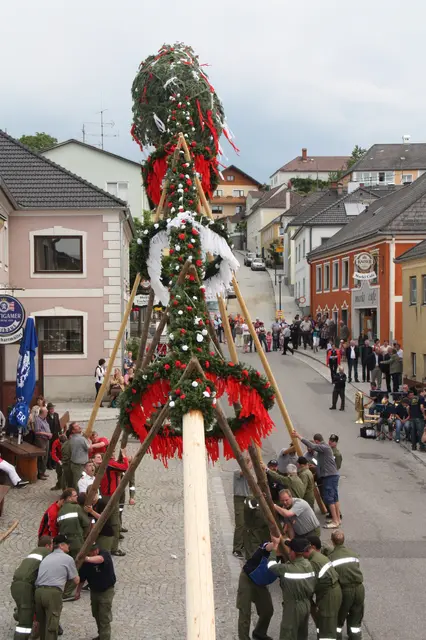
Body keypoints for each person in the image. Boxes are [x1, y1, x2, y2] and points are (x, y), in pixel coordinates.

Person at [268, 537, 316, 640]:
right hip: (306, 604)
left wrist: (274, 547)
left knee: (288, 633)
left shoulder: (287, 569)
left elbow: (271, 566)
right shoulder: (309, 565)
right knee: (301, 634)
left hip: (293, 606)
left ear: (293, 552)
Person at [35, 534, 79, 640]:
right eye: (67, 544)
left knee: (43, 624)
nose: (69, 546)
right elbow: (76, 580)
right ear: (61, 545)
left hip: (38, 592)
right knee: (52, 626)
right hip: (53, 593)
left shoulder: (47, 557)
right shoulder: (67, 559)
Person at [11, 535, 53, 640]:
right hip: (25, 586)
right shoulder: (46, 553)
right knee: (25, 624)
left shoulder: (33, 552)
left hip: (17, 585)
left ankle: (18, 613)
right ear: (47, 545)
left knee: (26, 609)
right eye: (52, 545)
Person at [296, 431, 341, 529]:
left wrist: (299, 436)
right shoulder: (324, 449)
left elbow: (311, 445)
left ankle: (335, 521)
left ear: (317, 441)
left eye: (315, 443)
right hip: (332, 475)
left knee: (330, 499)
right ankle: (337, 518)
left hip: (329, 476)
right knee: (335, 498)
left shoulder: (323, 447)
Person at [236, 540, 277, 640]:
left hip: (260, 583)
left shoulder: (287, 559)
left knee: (267, 610)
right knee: (245, 611)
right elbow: (267, 546)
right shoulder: (268, 548)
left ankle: (259, 633)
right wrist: (276, 544)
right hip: (247, 578)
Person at [328, 530, 365, 640]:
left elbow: (332, 577)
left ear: (332, 541)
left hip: (345, 590)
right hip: (359, 589)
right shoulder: (353, 554)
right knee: (356, 615)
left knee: (339, 617)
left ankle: (337, 636)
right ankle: (355, 637)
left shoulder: (331, 558)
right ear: (343, 541)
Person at [76, 542, 116, 640]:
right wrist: (78, 591)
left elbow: (101, 559)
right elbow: (82, 579)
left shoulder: (104, 554)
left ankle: (105, 637)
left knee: (104, 617)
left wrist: (87, 559)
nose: (95, 552)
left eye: (95, 549)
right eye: (92, 550)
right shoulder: (85, 564)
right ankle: (101, 635)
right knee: (96, 614)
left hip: (106, 591)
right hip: (94, 591)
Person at [305, 534, 342, 640]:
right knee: (325, 624)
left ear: (311, 547)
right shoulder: (320, 557)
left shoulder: (314, 562)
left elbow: (310, 585)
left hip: (329, 596)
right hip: (328, 593)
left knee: (327, 628)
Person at [100, 453, 129, 557]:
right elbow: (126, 467)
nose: (113, 456)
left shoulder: (107, 464)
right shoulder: (110, 464)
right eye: (111, 454)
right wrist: (125, 457)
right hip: (110, 497)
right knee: (115, 523)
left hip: (105, 495)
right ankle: (114, 548)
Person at [233, 465, 250, 558]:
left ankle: (243, 544)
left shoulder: (250, 472)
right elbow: (244, 471)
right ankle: (236, 549)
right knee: (240, 524)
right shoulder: (236, 471)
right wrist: (250, 461)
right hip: (239, 498)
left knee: (248, 523)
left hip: (248, 497)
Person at [69, 422, 90, 490]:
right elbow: (89, 448)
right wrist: (89, 440)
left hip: (75, 464)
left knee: (75, 482)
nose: (79, 427)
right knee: (78, 484)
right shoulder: (81, 439)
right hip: (79, 465)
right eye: (77, 426)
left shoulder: (72, 437)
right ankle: (78, 498)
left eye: (78, 425)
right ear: (73, 430)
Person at [34, 407, 52, 480]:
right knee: (41, 457)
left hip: (46, 440)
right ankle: (40, 474)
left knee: (46, 456)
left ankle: (43, 472)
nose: (47, 413)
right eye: (46, 412)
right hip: (41, 440)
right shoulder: (38, 420)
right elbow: (37, 431)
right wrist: (47, 434)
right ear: (43, 413)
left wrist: (49, 434)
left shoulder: (44, 419)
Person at [46, 403, 61, 471]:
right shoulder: (46, 416)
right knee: (49, 450)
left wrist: (60, 432)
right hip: (49, 435)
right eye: (51, 409)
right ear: (48, 410)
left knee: (55, 449)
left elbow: (58, 424)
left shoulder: (56, 415)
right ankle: (49, 465)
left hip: (55, 435)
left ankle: (54, 463)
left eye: (53, 408)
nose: (52, 410)